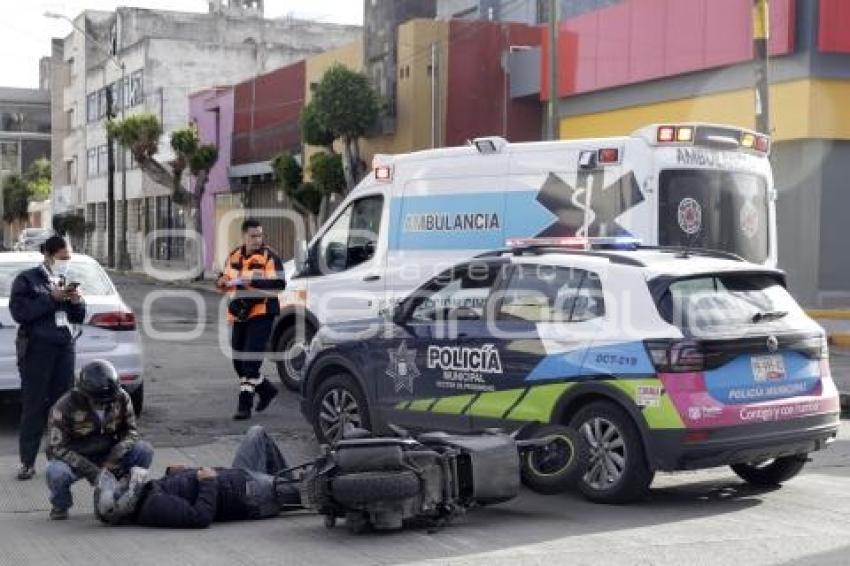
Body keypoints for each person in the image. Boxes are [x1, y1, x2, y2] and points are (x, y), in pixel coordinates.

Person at [94, 425, 301, 528]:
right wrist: (208, 482)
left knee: (257, 433)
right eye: (120, 487)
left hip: (237, 479)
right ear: (124, 502)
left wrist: (174, 474)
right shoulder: (154, 507)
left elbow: (182, 492)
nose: (123, 481)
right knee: (315, 488)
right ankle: (290, 489)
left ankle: (288, 485)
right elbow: (200, 517)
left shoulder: (147, 496)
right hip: (247, 496)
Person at [10, 235, 86, 481]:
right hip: (37, 350)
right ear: (49, 254)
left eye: (69, 259)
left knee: (63, 406)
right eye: (63, 257)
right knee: (34, 405)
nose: (66, 262)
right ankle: (27, 462)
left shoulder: (64, 279)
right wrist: (51, 298)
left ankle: (59, 460)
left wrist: (76, 301)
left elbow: (77, 316)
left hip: (64, 348)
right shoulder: (27, 280)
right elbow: (20, 312)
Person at [45, 360, 154, 520]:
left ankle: (125, 493)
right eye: (97, 401)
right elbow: (57, 448)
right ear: (83, 393)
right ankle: (61, 505)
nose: (103, 405)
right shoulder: (63, 407)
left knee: (144, 450)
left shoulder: (122, 398)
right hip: (77, 457)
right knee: (55, 471)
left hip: (110, 454)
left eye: (108, 400)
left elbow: (131, 433)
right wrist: (94, 473)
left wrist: (114, 457)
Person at [216, 219, 286, 420]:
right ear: (244, 236)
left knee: (249, 363)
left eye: (260, 235)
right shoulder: (234, 256)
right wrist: (221, 281)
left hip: (263, 312)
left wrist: (251, 280)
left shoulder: (269, 256)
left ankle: (244, 405)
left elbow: (279, 283)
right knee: (238, 363)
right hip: (240, 313)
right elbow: (224, 281)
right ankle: (266, 390)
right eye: (253, 236)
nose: (257, 239)